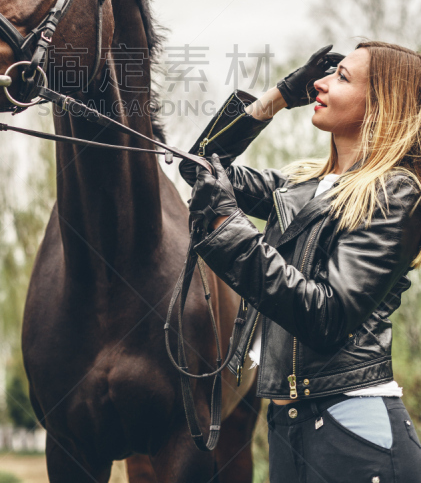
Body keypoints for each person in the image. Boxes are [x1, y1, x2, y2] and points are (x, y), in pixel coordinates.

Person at [180, 41, 421, 483]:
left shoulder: (397, 193)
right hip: (288, 427)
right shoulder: (301, 185)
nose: (320, 83)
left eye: (342, 77)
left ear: (382, 104)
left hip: (353, 431)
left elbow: (326, 316)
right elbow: (199, 167)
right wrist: (277, 99)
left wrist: (230, 233)